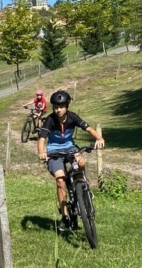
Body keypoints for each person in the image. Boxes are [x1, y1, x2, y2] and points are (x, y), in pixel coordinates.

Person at [37, 90, 104, 231]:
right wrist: (42, 152)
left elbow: (88, 128)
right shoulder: (50, 120)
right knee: (60, 179)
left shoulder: (72, 117)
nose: (58, 110)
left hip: (70, 148)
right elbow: (42, 139)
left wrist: (99, 138)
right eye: (55, 107)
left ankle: (83, 186)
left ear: (67, 106)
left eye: (61, 107)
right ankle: (65, 217)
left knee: (81, 162)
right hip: (54, 152)